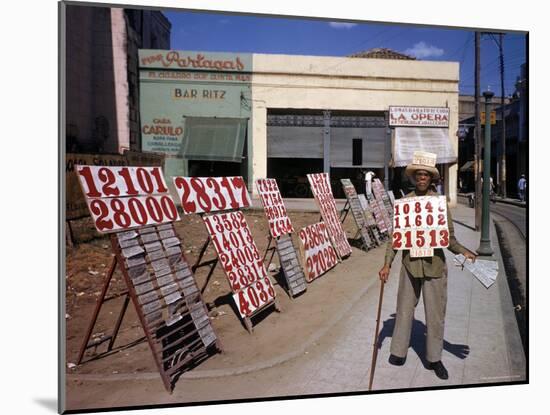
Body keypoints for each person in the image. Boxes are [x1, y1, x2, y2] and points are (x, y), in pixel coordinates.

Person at [378, 151, 477, 380]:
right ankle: (398, 352)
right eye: (418, 175)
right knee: (404, 310)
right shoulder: (405, 204)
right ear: (414, 178)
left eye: (426, 175)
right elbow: (396, 239)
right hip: (409, 265)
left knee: (435, 314)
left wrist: (465, 252)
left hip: (434, 267)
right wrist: (386, 265)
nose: (422, 178)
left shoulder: (439, 205)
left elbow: (449, 239)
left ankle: (434, 359)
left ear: (431, 179)